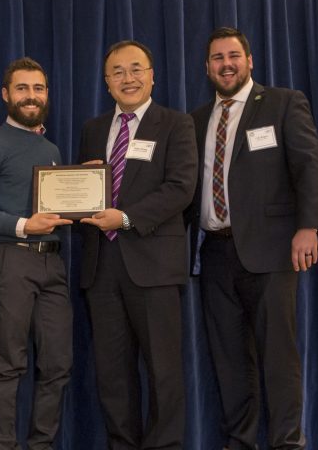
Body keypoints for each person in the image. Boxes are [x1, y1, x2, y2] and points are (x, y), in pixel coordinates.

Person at [189, 27, 318, 450]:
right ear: (208, 67)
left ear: (250, 61)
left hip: (273, 249)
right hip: (214, 254)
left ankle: (287, 442)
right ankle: (241, 442)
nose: (225, 64)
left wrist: (309, 227)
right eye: (217, 58)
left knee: (278, 355)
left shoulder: (283, 103)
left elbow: (309, 166)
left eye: (233, 56)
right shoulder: (195, 120)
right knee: (230, 360)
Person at [78, 40, 197, 449]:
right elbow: (83, 197)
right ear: (106, 82)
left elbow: (181, 188)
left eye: (135, 69)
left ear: (151, 76)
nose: (127, 78)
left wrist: (126, 218)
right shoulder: (93, 129)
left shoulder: (176, 124)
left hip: (153, 264)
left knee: (163, 371)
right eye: (117, 72)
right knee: (112, 373)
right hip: (101, 266)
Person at [0, 57, 73, 450]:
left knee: (57, 365)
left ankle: (41, 445)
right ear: (6, 95)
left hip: (53, 263)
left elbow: (62, 205)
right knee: (8, 365)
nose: (31, 96)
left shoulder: (51, 148)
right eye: (22, 89)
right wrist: (24, 225)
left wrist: (89, 188)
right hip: (11, 260)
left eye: (38, 89)